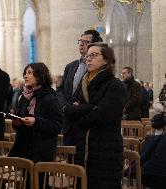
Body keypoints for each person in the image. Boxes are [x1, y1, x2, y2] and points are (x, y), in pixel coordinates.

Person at [63, 43, 127, 189]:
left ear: (106, 60)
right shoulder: (84, 84)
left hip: (105, 149)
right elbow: (71, 110)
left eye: (93, 55)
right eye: (87, 56)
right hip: (83, 146)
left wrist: (81, 116)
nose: (88, 59)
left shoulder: (115, 85)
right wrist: (90, 108)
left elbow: (103, 114)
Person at [9, 63, 62, 188]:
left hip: (41, 149)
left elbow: (57, 125)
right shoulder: (25, 96)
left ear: (39, 76)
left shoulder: (50, 97)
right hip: (24, 146)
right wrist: (17, 122)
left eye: (30, 73)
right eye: (25, 73)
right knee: (27, 183)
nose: (25, 76)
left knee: (39, 183)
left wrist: (36, 121)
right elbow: (20, 117)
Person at [57, 29, 103, 144]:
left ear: (95, 45)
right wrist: (64, 106)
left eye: (86, 42)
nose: (82, 44)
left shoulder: (98, 69)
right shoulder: (70, 66)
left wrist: (79, 107)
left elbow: (98, 97)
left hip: (86, 123)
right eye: (80, 41)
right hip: (68, 122)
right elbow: (60, 90)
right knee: (69, 159)